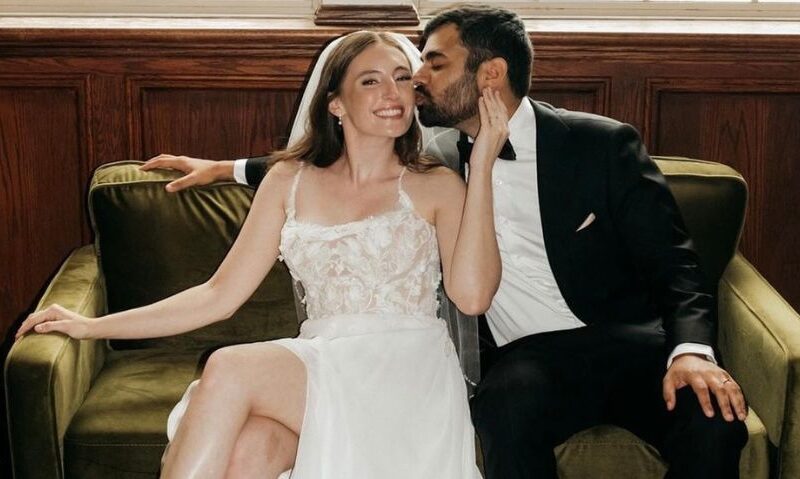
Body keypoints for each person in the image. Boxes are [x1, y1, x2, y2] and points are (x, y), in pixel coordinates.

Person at [145, 5, 751, 479]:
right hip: (528, 359)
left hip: (626, 343)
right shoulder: (433, 161)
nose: (416, 83)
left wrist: (691, 352)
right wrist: (227, 168)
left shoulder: (602, 144)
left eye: (432, 65)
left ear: (489, 74)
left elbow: (678, 268)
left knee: (716, 423)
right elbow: (335, 163)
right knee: (505, 411)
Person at [15, 30, 511, 479]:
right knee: (249, 450)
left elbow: (471, 298)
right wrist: (90, 326)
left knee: (230, 368)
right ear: (335, 104)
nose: (393, 94)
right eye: (371, 81)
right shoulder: (288, 181)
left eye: (403, 79)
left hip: (407, 374)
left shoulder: (436, 185)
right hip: (328, 359)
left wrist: (483, 160)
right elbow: (217, 295)